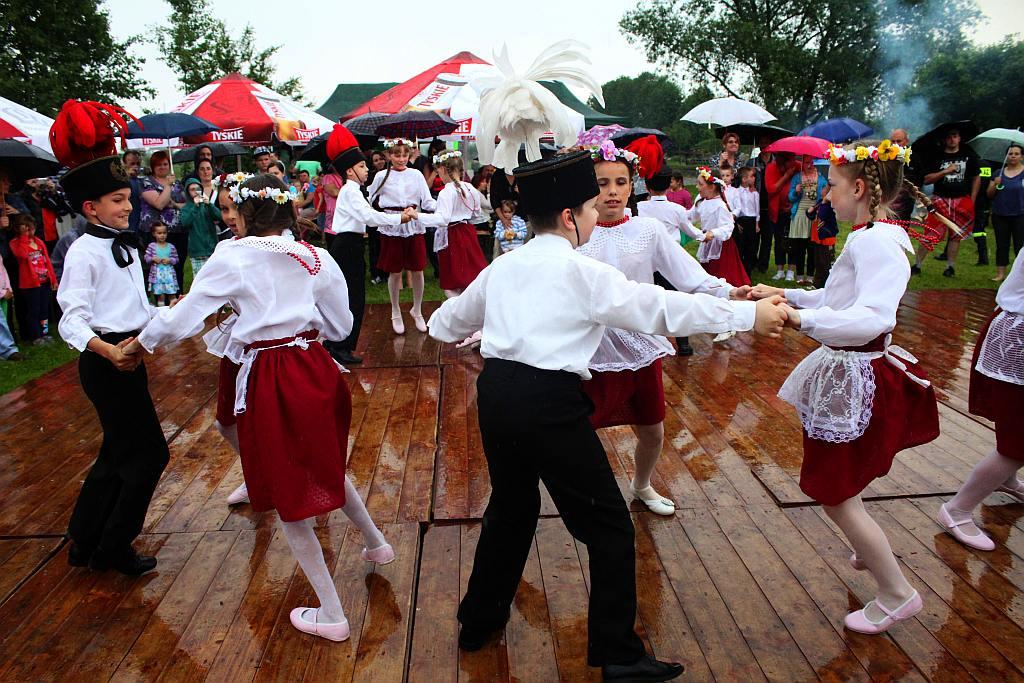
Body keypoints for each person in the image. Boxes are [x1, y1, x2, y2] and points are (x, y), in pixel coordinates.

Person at [429, 149, 787, 682]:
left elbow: (443, 323)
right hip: (547, 401)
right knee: (609, 527)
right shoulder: (582, 270)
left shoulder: (504, 265)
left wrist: (495, 327)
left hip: (498, 395)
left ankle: (478, 620)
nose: (600, 214)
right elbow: (660, 308)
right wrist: (745, 314)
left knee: (511, 508)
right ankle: (619, 655)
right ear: (571, 217)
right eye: (593, 206)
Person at [123, 174, 395, 642]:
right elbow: (341, 323)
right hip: (315, 367)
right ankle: (377, 543)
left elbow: (185, 315)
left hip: (273, 375)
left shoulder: (233, 257)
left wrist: (142, 342)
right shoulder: (317, 257)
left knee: (289, 493)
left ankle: (332, 613)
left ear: (246, 216)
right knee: (324, 463)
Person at [751, 139, 940, 634]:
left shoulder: (874, 241)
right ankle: (866, 549)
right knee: (841, 482)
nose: (825, 197)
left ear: (858, 188)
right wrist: (784, 293)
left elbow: (872, 317)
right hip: (846, 371)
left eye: (831, 188)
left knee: (834, 493)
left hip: (856, 374)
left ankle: (898, 592)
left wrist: (796, 320)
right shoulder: (872, 234)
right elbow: (839, 299)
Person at [582, 141, 753, 516]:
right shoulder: (576, 232)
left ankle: (641, 485)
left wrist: (728, 290)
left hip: (641, 342)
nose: (612, 191)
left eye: (620, 182)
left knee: (653, 429)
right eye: (602, 182)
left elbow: (687, 274)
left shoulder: (648, 229)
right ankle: (592, 499)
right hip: (590, 348)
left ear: (632, 185)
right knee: (582, 434)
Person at [52, 99, 169, 576]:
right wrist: (108, 350)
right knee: (149, 455)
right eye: (118, 201)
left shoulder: (124, 243)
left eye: (128, 198)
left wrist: (167, 313)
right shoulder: (83, 252)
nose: (128, 206)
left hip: (127, 354)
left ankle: (84, 540)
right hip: (105, 360)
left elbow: (134, 308)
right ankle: (113, 548)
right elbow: (70, 319)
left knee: (117, 452)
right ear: (90, 207)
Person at [939, 251, 1024, 551]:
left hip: (1013, 335)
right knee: (1018, 442)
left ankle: (1007, 480)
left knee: (1014, 426)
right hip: (1017, 340)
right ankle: (958, 509)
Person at [327, 126, 415, 364]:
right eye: (362, 166)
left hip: (350, 244)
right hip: (346, 245)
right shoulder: (351, 191)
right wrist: (399, 218)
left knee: (352, 296)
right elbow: (370, 217)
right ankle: (340, 345)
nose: (367, 170)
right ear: (350, 170)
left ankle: (340, 344)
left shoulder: (354, 191)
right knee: (352, 297)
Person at [367, 138, 436, 335]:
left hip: (413, 222)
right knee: (394, 271)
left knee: (417, 268)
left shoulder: (416, 175)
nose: (401, 158)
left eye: (405, 154)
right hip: (392, 224)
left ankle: (417, 308)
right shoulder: (381, 176)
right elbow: (370, 200)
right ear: (389, 155)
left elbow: (428, 201)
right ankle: (395, 310)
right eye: (397, 155)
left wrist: (443, 209)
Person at [638, 164, 706, 356]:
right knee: (678, 301)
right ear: (669, 184)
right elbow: (690, 231)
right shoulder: (676, 209)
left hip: (648, 262)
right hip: (672, 263)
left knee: (648, 300)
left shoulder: (639, 207)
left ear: (647, 185)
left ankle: (647, 340)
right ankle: (683, 343)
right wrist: (705, 236)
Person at [911, 125, 980, 278]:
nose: (952, 139)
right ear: (944, 139)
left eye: (955, 136)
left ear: (959, 138)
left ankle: (950, 268)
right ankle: (917, 265)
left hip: (962, 199)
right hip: (940, 199)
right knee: (931, 233)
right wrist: (946, 171)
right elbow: (927, 179)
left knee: (956, 235)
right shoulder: (937, 157)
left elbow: (976, 177)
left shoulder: (969, 155)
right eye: (949, 137)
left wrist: (973, 199)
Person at [416, 150, 488, 297]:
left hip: (452, 236)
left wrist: (417, 216)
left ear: (442, 169)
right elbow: (476, 214)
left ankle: (457, 312)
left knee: (451, 282)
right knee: (469, 276)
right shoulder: (470, 188)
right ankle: (470, 310)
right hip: (468, 232)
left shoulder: (446, 192)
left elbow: (442, 219)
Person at [140, 150, 187, 286]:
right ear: (153, 167)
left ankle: (177, 295)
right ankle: (161, 299)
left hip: (179, 231)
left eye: (165, 164)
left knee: (177, 265)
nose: (162, 167)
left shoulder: (177, 183)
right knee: (158, 267)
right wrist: (167, 186)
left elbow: (185, 204)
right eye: (158, 165)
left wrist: (176, 204)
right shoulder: (147, 182)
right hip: (157, 232)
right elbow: (159, 204)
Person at [8, 214, 57, 344]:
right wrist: (24, 237)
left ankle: (44, 333)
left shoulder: (39, 242)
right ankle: (35, 336)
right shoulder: (15, 243)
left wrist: (53, 279)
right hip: (30, 284)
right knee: (33, 311)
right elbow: (23, 255)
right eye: (26, 229)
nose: (30, 232)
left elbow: (47, 260)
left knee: (44, 310)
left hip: (44, 282)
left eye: (31, 228)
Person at [787, 156, 827, 285]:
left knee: (812, 247)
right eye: (807, 163)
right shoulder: (797, 178)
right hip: (799, 214)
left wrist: (816, 207)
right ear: (802, 164)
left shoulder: (820, 178)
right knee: (799, 246)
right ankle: (799, 275)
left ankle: (810, 275)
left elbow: (825, 196)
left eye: (811, 163)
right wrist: (796, 191)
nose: (809, 166)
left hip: (814, 214)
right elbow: (790, 197)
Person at [989, 143, 1024, 282]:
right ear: (1006, 156)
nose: (1013, 156)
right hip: (1000, 214)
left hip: (1020, 215)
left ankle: (1019, 275)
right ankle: (1000, 274)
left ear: (1021, 156)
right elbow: (989, 194)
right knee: (1001, 245)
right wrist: (995, 184)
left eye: (1016, 154)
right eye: (1010, 154)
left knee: (1020, 246)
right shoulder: (998, 173)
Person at [762, 152, 798, 280]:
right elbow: (771, 189)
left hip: (794, 210)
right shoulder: (771, 167)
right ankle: (780, 269)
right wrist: (786, 175)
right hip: (777, 210)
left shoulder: (796, 166)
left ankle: (791, 271)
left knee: (793, 240)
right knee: (779, 240)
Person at [746, 135, 774, 272]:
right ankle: (752, 261)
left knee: (767, 237)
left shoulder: (775, 162)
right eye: (762, 143)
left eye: (767, 143)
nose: (764, 146)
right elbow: (744, 179)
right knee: (754, 237)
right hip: (755, 203)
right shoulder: (751, 163)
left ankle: (763, 264)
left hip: (770, 203)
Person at [734, 167, 761, 276]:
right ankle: (739, 271)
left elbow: (757, 209)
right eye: (751, 176)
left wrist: (757, 223)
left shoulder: (754, 193)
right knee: (740, 246)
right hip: (741, 220)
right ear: (744, 179)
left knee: (751, 247)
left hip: (751, 220)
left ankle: (748, 272)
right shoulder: (736, 192)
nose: (754, 178)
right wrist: (736, 222)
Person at [144, 222, 179, 306]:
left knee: (172, 294)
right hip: (157, 276)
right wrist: (153, 258)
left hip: (169, 275)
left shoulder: (171, 246)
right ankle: (161, 313)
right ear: (154, 234)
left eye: (164, 233)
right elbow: (146, 257)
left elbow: (176, 259)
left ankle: (174, 313)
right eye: (159, 233)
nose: (162, 235)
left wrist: (170, 260)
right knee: (161, 296)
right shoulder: (152, 246)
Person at [0, 260, 21, 360]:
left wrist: (8, 288)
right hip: (2, 293)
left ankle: (6, 350)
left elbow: (2, 269)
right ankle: (8, 351)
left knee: (3, 322)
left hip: (4, 292)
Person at [122, 150, 144, 233]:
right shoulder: (120, 180)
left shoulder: (143, 181)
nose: (135, 166)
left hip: (141, 226)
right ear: (124, 164)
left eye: (138, 164)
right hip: (127, 224)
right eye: (132, 163)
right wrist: (126, 175)